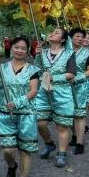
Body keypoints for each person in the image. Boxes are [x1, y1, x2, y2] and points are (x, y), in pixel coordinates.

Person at [0, 36, 39, 177]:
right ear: (11, 48)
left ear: (27, 50)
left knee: (25, 150)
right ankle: (12, 165)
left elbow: (33, 91)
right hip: (5, 115)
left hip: (26, 115)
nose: (20, 51)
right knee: (8, 150)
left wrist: (17, 102)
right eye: (17, 47)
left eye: (23, 48)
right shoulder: (0, 68)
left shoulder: (32, 70)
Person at [33, 27, 76, 168]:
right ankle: (49, 144)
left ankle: (62, 153)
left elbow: (71, 74)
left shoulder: (69, 53)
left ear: (63, 39)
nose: (52, 33)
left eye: (56, 33)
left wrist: (53, 77)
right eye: (52, 32)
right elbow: (36, 69)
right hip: (43, 92)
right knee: (40, 123)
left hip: (62, 92)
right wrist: (37, 55)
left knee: (61, 125)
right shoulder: (43, 52)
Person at [69, 29, 89, 154]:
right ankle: (74, 135)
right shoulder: (64, 52)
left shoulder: (87, 53)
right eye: (77, 36)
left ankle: (80, 143)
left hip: (80, 87)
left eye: (82, 37)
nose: (80, 39)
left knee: (79, 114)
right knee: (68, 114)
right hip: (65, 87)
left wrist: (78, 79)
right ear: (70, 37)